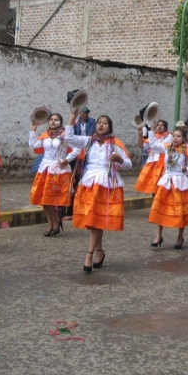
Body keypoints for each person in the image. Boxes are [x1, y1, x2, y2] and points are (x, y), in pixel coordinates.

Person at [65, 113, 132, 273]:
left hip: (106, 185)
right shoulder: (89, 141)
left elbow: (129, 164)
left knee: (96, 221)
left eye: (105, 123)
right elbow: (69, 138)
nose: (101, 125)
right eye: (99, 123)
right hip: (89, 183)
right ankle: (99, 253)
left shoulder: (115, 143)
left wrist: (120, 161)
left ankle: (89, 255)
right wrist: (71, 118)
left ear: (110, 127)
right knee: (95, 221)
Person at [148, 128, 188, 249]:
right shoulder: (167, 148)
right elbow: (153, 145)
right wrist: (151, 129)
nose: (175, 138)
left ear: (184, 139)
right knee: (160, 208)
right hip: (167, 182)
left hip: (180, 183)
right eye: (174, 135)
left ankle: (180, 236)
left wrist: (187, 170)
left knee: (181, 211)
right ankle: (159, 235)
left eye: (178, 136)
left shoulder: (186, 151)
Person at [29, 113, 79, 237]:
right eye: (51, 119)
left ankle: (56, 223)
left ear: (60, 123)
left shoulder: (64, 136)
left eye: (56, 120)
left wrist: (66, 159)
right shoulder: (45, 136)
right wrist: (33, 131)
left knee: (51, 199)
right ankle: (50, 224)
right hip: (44, 169)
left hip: (58, 170)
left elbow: (77, 149)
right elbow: (34, 145)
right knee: (44, 200)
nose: (53, 121)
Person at [135, 120, 172, 194]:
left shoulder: (169, 136)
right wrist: (140, 135)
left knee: (160, 187)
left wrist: (151, 131)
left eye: (161, 125)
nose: (159, 126)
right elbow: (141, 146)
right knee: (153, 187)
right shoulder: (154, 136)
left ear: (166, 127)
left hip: (162, 164)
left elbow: (156, 146)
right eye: (158, 125)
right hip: (152, 163)